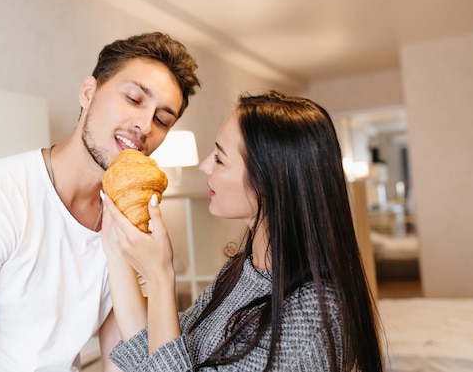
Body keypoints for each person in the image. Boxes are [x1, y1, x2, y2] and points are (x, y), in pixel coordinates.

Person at [0, 32, 201, 372]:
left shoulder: (126, 227)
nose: (145, 125)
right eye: (134, 98)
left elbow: (126, 362)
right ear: (88, 92)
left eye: (163, 119)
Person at [101, 90, 383, 371]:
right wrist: (114, 249)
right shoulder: (241, 273)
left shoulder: (316, 318)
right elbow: (154, 355)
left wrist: (160, 277)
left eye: (220, 159)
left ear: (269, 181)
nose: (204, 166)